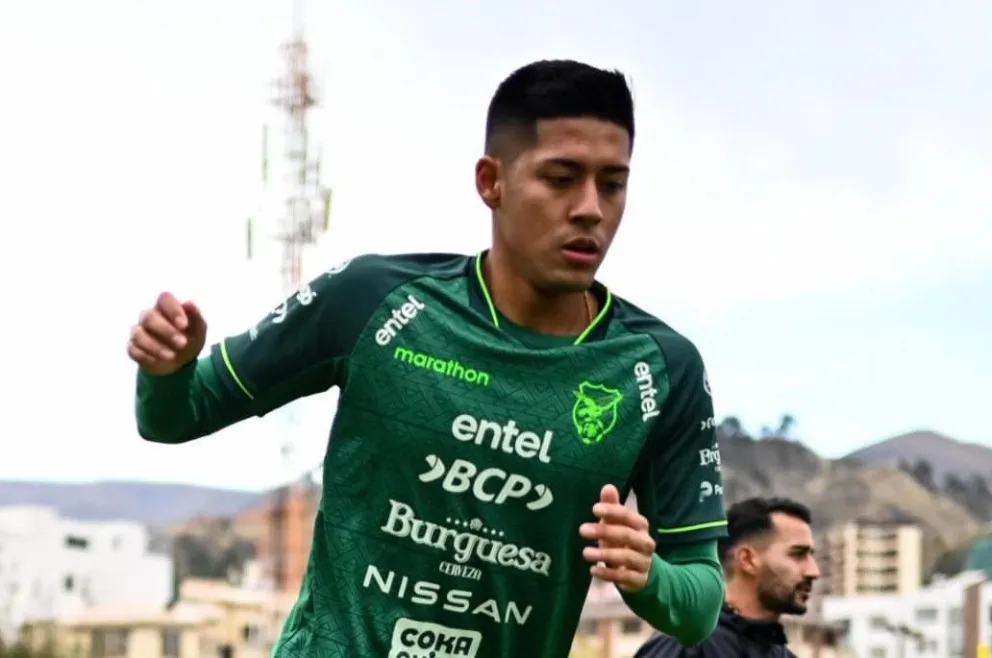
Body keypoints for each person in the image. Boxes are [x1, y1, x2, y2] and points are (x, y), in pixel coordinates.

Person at [127, 59, 727, 658]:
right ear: (491, 182)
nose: (591, 209)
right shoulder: (375, 299)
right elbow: (175, 416)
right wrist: (165, 369)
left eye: (612, 183)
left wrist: (648, 576)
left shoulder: (659, 369)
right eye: (562, 178)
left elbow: (699, 606)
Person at [633, 497, 820, 658]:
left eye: (812, 555)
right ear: (747, 559)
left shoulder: (781, 654)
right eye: (798, 554)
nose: (814, 571)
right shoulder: (689, 644)